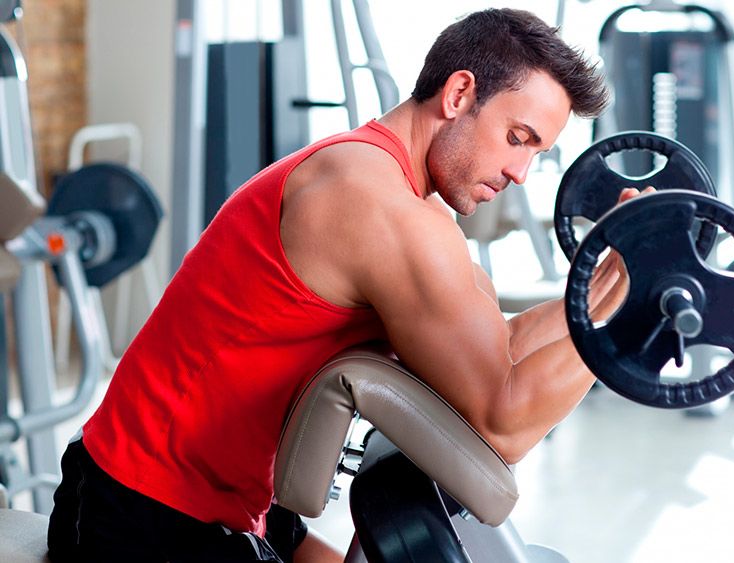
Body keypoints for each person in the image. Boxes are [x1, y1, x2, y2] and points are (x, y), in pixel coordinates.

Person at [47, 7, 644, 562]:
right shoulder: (375, 206)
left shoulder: (396, 191)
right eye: (518, 138)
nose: (521, 172)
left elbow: (502, 347)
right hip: (143, 512)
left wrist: (613, 279)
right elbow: (504, 425)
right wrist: (628, 307)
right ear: (459, 94)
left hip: (233, 499)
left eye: (537, 152)